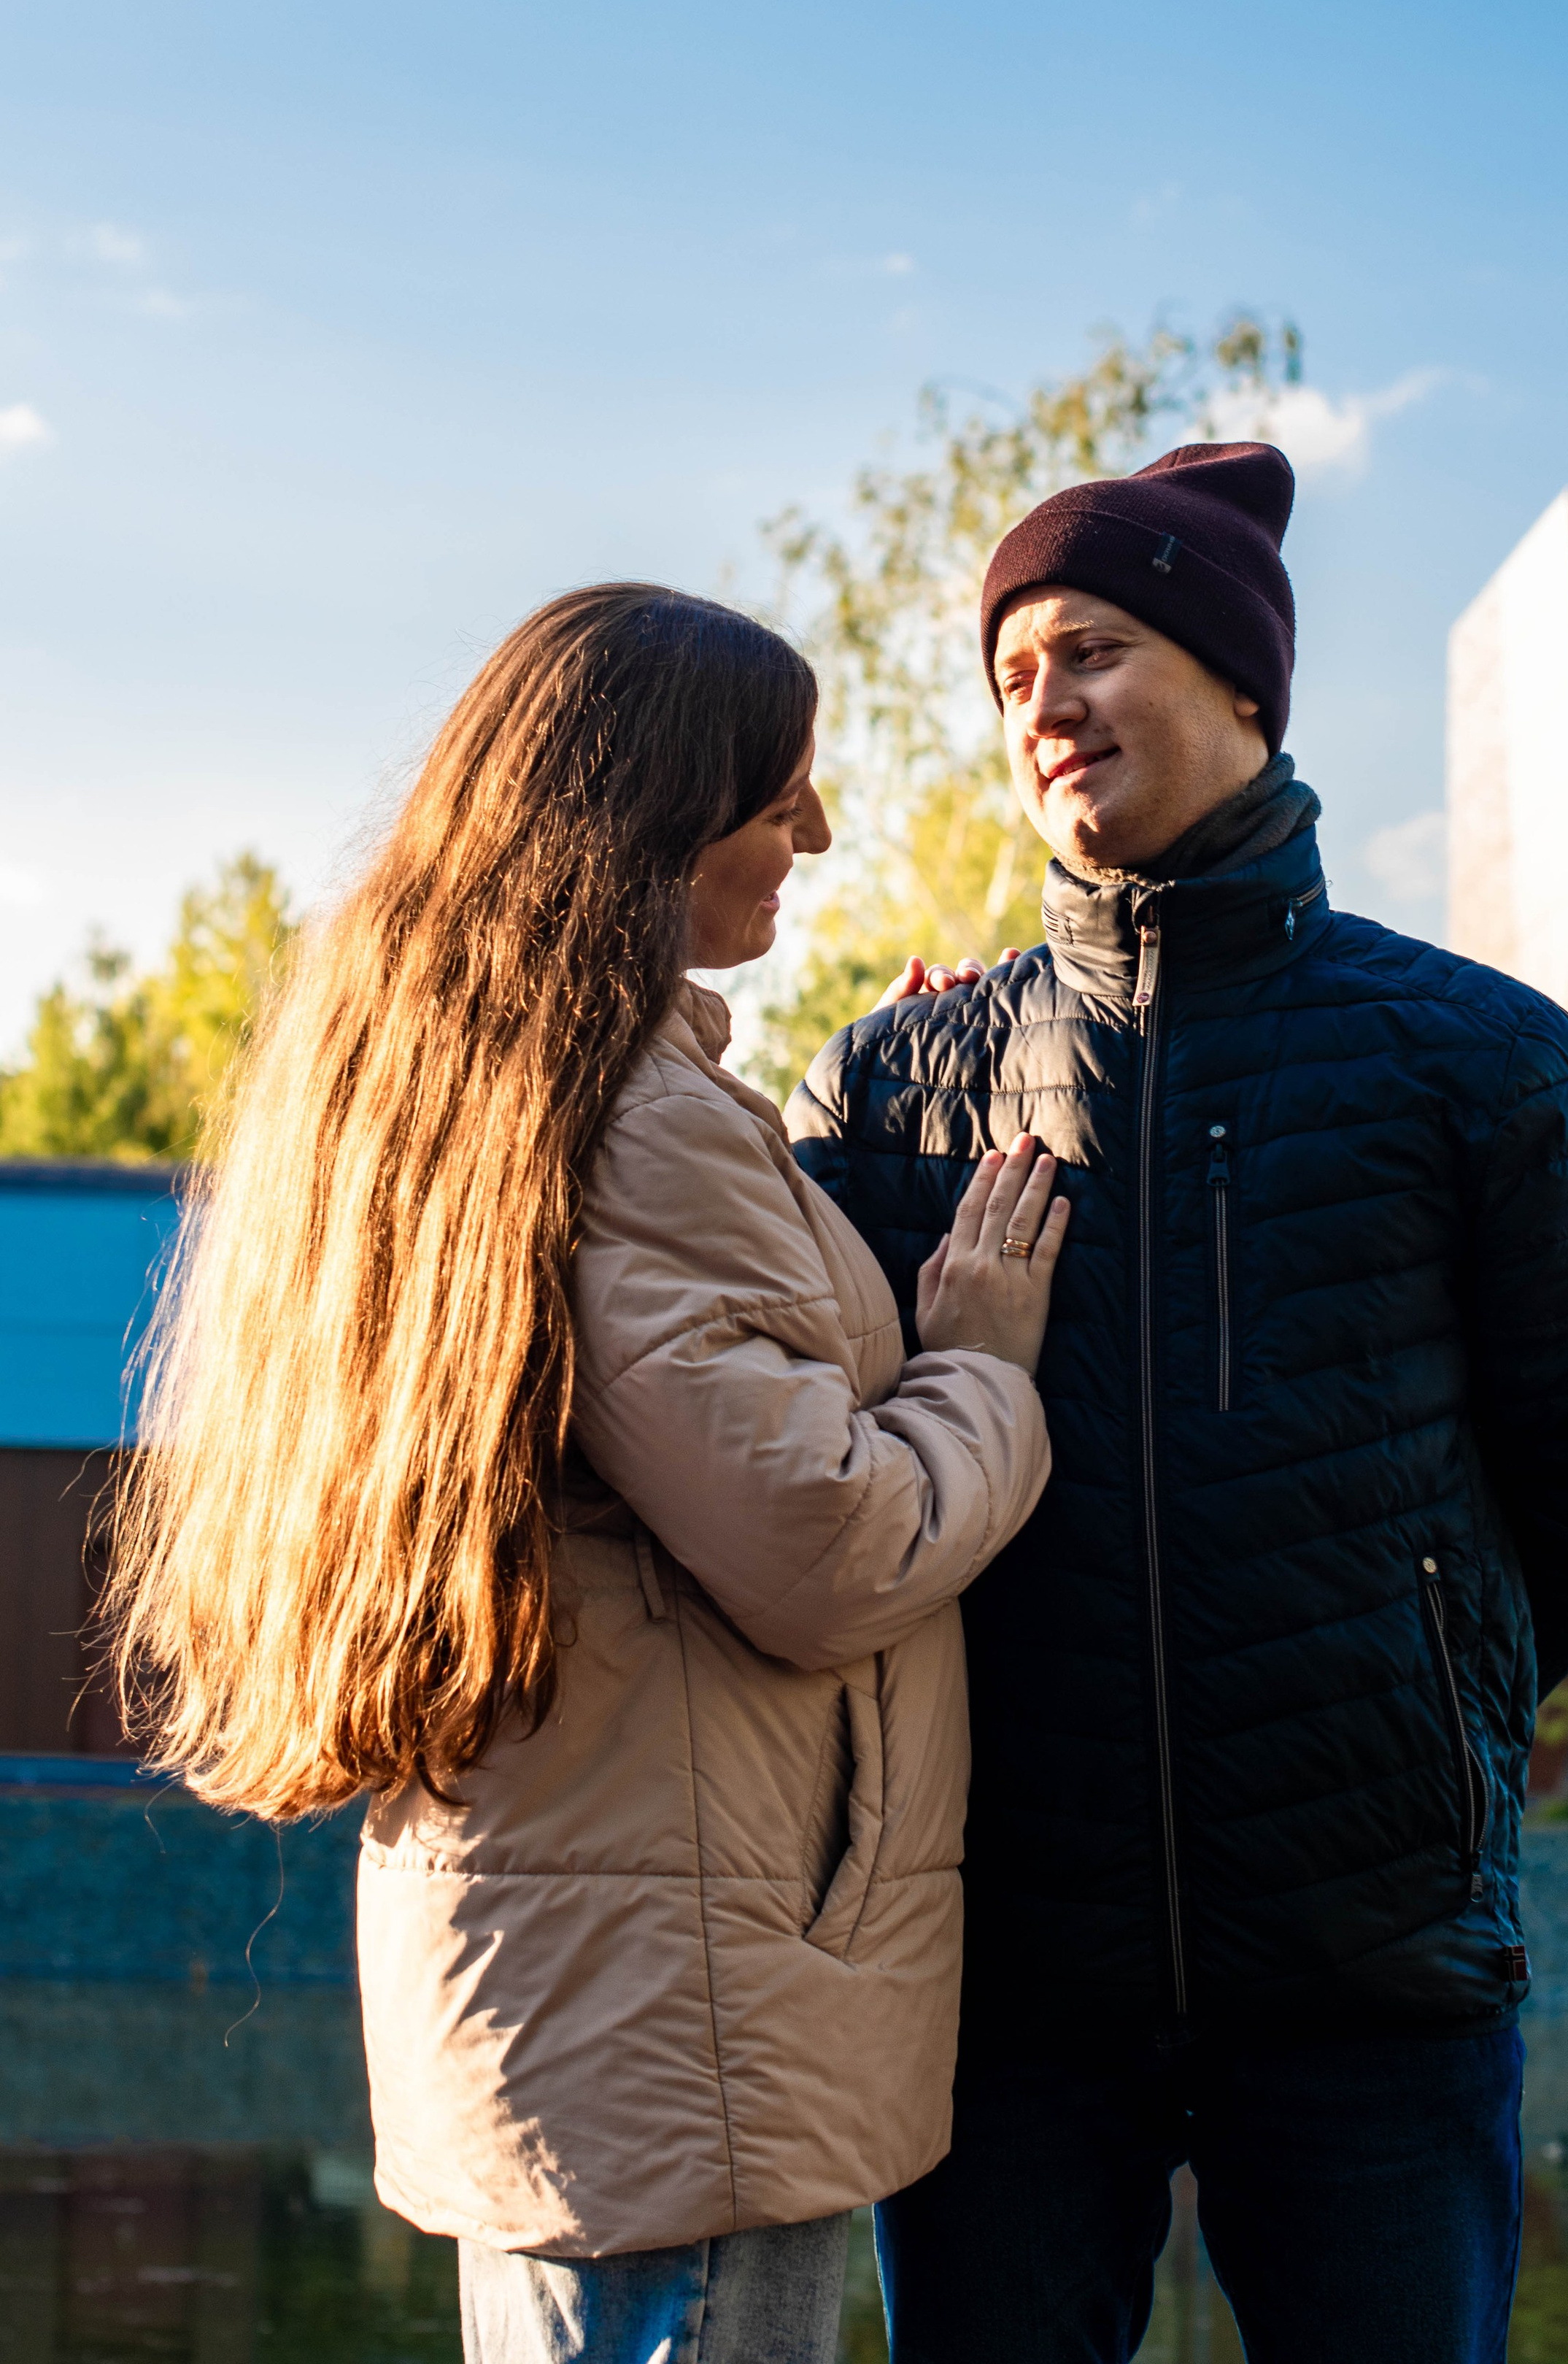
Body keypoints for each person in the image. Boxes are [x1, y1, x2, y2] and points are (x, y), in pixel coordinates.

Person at [788, 444, 1568, 2364]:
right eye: (1012, 676)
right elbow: (804, 1478)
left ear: (1244, 687)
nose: (1044, 709)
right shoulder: (895, 1086)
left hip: (1375, 1985)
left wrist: (1416, 1693)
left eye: (1092, 650)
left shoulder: (1478, 1061)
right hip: (1003, 1978)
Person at [107, 582, 1065, 2364]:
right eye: (778, 793)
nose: (818, 832)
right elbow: (828, 1543)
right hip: (691, 2020)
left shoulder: (476, 1091)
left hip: (606, 1993)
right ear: (648, 807)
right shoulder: (626, 1117)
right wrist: (982, 1364)